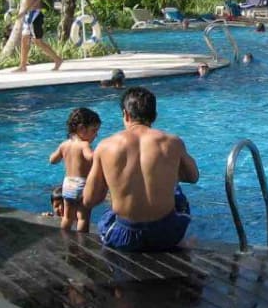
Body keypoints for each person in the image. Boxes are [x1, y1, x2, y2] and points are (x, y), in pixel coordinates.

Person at [82, 87, 198, 251]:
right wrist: (169, 173)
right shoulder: (173, 142)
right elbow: (193, 176)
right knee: (177, 192)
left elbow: (89, 200)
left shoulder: (105, 146)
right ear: (154, 116)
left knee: (111, 211)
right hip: (167, 235)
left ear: (125, 114)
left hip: (124, 237)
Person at [49, 107, 100, 232]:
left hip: (67, 185)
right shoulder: (84, 145)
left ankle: (63, 236)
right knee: (83, 217)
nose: (96, 134)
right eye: (94, 130)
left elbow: (52, 160)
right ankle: (83, 240)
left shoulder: (64, 144)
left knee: (67, 217)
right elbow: (91, 157)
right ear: (81, 128)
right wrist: (102, 154)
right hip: (82, 185)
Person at [13, 0, 62, 72]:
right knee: (24, 40)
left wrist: (23, 12)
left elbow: (35, 1)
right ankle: (23, 65)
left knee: (37, 41)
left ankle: (57, 59)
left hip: (33, 16)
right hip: (29, 16)